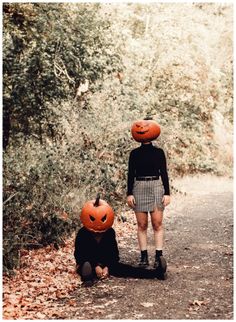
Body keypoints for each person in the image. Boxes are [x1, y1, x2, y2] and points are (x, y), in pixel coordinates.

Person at [74, 194, 166, 287]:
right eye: (93, 219)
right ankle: (87, 277)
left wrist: (107, 267)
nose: (98, 224)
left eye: (103, 219)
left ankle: (156, 273)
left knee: (126, 269)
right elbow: (80, 256)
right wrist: (95, 266)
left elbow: (114, 255)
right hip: (88, 262)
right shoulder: (83, 233)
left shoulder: (109, 232)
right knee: (85, 265)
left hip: (106, 262)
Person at [127, 118, 170, 275]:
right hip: (139, 187)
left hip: (156, 187)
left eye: (146, 127)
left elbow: (164, 173)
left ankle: (159, 256)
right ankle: (143, 257)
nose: (142, 129)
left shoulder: (159, 152)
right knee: (142, 224)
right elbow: (131, 174)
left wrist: (167, 193)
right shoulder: (134, 154)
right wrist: (129, 193)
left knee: (157, 224)